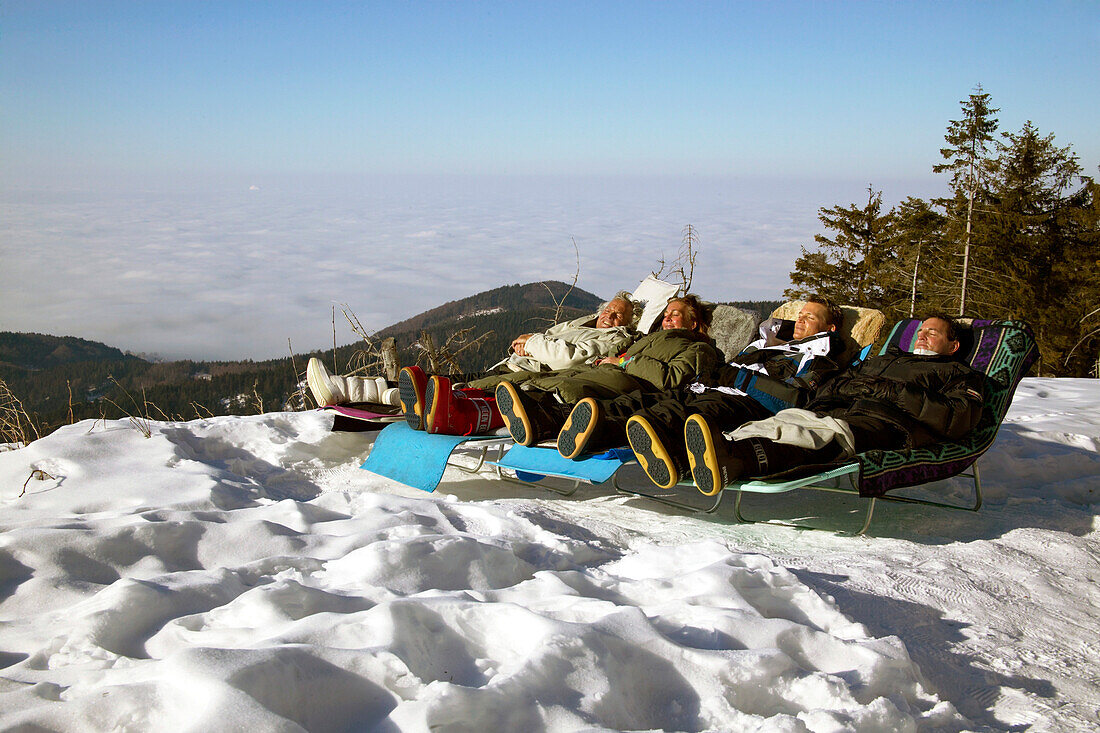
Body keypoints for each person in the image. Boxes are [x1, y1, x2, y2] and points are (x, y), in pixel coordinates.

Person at [684, 314, 986, 495]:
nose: (922, 335)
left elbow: (956, 418)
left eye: (932, 333)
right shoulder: (884, 360)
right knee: (784, 421)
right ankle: (724, 445)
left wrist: (889, 392)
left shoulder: (960, 374)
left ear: (953, 346)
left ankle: (737, 459)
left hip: (887, 422)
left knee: (823, 435)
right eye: (920, 331)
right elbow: (837, 381)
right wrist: (850, 386)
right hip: (838, 407)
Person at [566, 296, 847, 489]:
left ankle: (670, 454)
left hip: (745, 400)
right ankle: (594, 423)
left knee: (684, 413)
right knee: (644, 402)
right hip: (708, 387)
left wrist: (740, 379)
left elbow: (796, 399)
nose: (800, 321)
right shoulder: (767, 344)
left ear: (830, 328)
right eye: (800, 315)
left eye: (810, 317)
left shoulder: (821, 359)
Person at [306, 293, 638, 413]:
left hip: (527, 376)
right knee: (445, 382)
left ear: (626, 323)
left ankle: (347, 390)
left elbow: (566, 359)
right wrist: (528, 343)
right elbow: (552, 342)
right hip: (518, 364)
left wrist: (532, 342)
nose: (610, 315)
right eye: (609, 308)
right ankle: (352, 389)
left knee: (448, 388)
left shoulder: (613, 339)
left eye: (618, 314)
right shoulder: (584, 323)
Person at [483, 295, 720, 445]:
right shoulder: (648, 339)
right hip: (603, 371)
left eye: (675, 315)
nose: (667, 319)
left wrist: (625, 363)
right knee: (536, 381)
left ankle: (539, 421)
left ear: (694, 322)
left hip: (629, 381)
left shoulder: (699, 348)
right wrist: (610, 360)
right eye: (665, 314)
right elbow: (620, 352)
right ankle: (473, 403)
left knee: (563, 388)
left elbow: (671, 379)